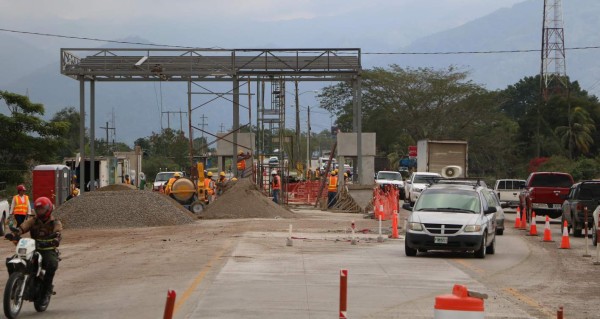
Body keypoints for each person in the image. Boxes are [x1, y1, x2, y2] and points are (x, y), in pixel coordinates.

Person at [5, 196, 62, 305]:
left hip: (47, 249)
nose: (40, 211)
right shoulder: (33, 220)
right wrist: (13, 234)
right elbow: (22, 228)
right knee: (10, 261)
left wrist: (55, 240)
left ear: (48, 209)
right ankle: (13, 285)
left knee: (52, 264)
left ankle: (46, 292)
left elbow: (58, 233)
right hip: (32, 247)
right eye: (38, 209)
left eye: (42, 209)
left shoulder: (55, 222)